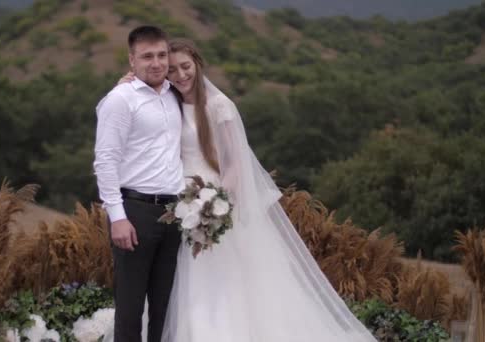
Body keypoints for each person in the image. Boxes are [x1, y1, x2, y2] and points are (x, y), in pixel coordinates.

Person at [117, 38, 377, 342]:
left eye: (185, 66)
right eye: (172, 69)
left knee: (213, 282)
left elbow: (234, 166)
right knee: (172, 285)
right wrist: (126, 82)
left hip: (207, 205)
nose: (180, 75)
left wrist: (213, 206)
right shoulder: (167, 101)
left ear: (198, 64)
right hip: (175, 207)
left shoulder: (219, 106)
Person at [93, 26, 184, 342]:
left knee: (166, 307)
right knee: (130, 308)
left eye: (161, 55)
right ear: (132, 60)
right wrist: (117, 217)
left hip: (174, 213)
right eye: (147, 56)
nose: (156, 63)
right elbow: (105, 161)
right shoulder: (121, 98)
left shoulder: (175, 95)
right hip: (135, 212)